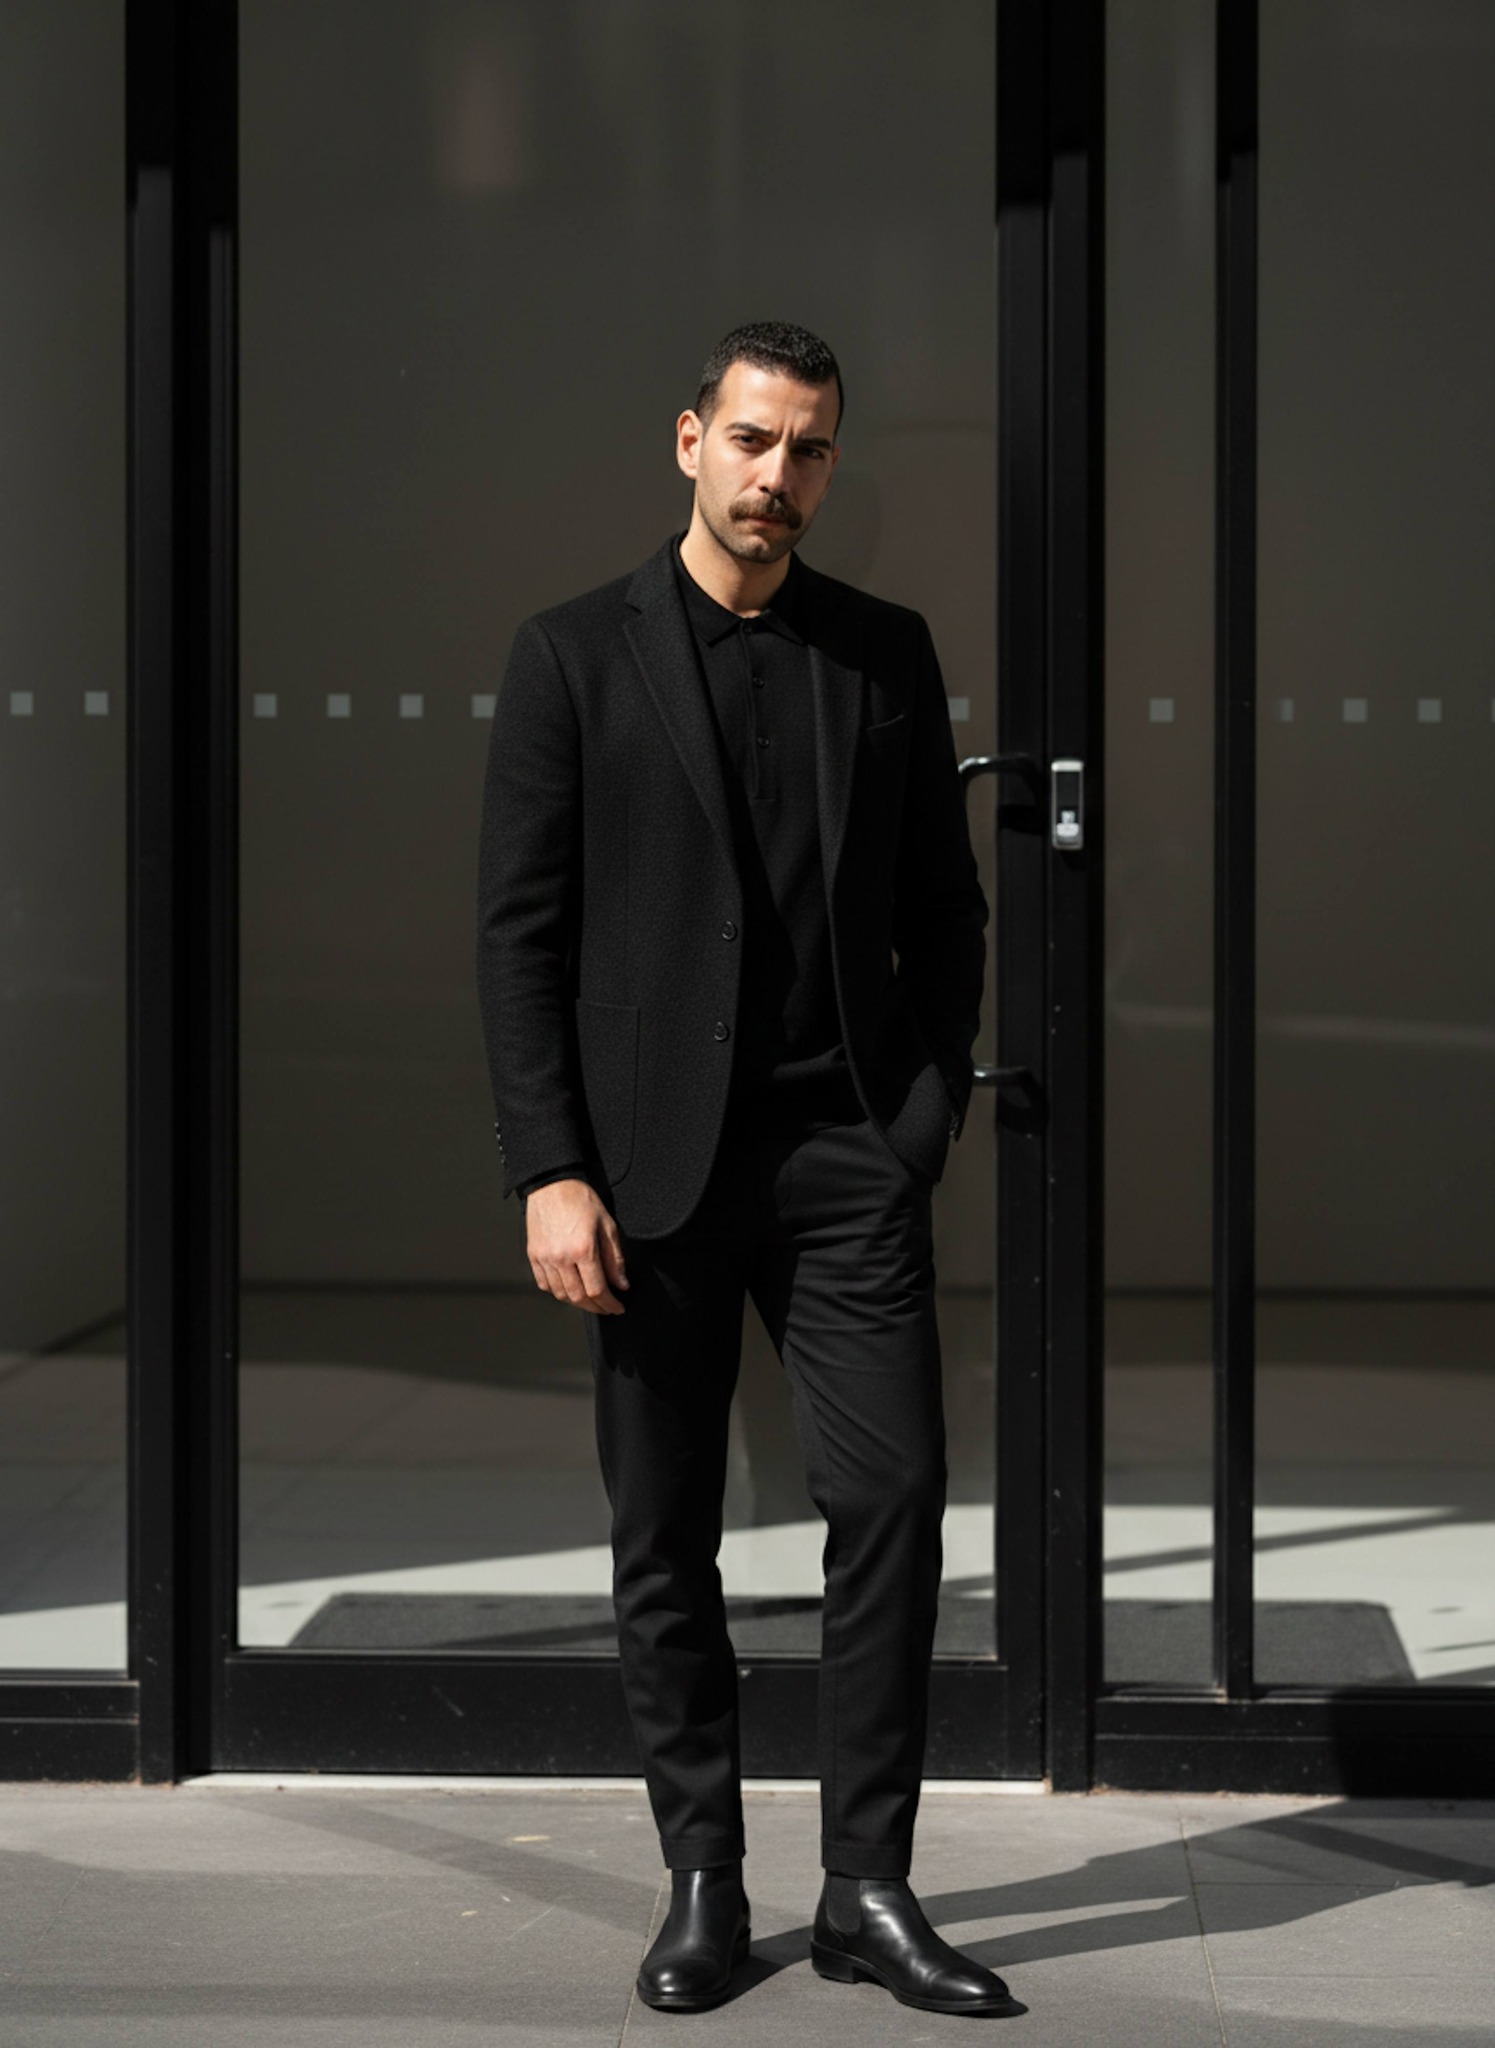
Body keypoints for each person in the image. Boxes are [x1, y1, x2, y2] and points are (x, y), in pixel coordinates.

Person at [476, 321, 1010, 2017]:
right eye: (756, 442)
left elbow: (946, 911)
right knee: (666, 1536)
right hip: (647, 1175)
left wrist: (916, 1124)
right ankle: (703, 1873)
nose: (781, 478)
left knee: (895, 1502)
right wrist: (551, 1169)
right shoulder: (572, 655)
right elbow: (519, 938)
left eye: (813, 452)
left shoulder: (884, 654)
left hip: (845, 1153)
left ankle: (867, 1887)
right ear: (690, 438)